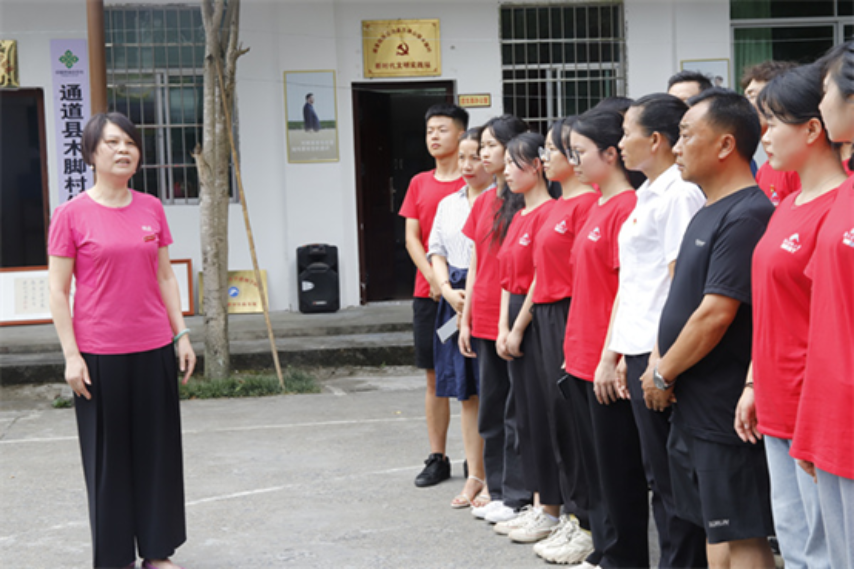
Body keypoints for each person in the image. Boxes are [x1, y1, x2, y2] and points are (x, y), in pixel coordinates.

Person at [48, 112, 195, 570]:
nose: (123, 150)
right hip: (99, 354)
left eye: (130, 143)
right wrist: (71, 356)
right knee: (108, 462)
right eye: (112, 143)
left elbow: (165, 276)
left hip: (153, 348)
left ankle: (157, 551)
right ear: (91, 153)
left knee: (157, 454)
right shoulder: (70, 215)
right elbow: (57, 290)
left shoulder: (151, 207)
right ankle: (115, 559)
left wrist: (181, 334)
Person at [642, 89, 776, 569]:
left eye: (685, 135)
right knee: (712, 528)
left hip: (723, 408)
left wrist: (663, 372)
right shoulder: (708, 209)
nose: (676, 148)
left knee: (742, 535)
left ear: (725, 145)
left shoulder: (748, 214)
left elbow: (716, 314)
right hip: (693, 404)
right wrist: (660, 361)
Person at [734, 63, 846, 570]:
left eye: (773, 123)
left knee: (826, 552)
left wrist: (810, 414)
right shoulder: (788, 203)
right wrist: (754, 383)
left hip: (814, 402)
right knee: (797, 547)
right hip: (777, 398)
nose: (763, 136)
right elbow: (773, 306)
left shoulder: (839, 208)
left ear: (812, 128)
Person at [601, 93, 708, 569]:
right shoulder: (647, 194)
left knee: (672, 480)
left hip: (661, 352)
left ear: (657, 140)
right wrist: (620, 352)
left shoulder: (679, 195)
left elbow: (679, 285)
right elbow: (635, 283)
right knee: (658, 476)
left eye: (627, 133)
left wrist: (661, 362)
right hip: (641, 348)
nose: (620, 142)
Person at [562, 108, 641, 570]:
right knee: (594, 465)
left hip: (604, 358)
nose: (572, 161)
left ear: (611, 154)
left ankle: (623, 557)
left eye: (580, 152)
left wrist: (612, 355)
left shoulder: (627, 207)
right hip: (581, 353)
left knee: (617, 470)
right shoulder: (596, 204)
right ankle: (603, 550)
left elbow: (626, 290)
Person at [520, 119, 599, 565]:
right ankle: (570, 513)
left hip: (570, 311)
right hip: (547, 314)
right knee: (555, 418)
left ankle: (585, 520)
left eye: (552, 150)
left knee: (572, 421)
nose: (546, 158)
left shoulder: (586, 204)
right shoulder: (555, 205)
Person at [791, 40, 854, 570]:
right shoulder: (847, 193)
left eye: (826, 90)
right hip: (834, 418)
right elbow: (826, 319)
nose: (820, 104)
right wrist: (813, 424)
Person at [460, 115, 531, 525]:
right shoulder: (484, 200)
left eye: (490, 145)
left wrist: (508, 324)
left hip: (513, 318)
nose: (482, 153)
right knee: (491, 409)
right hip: (484, 317)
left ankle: (518, 494)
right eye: (481, 145)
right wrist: (466, 319)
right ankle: (499, 488)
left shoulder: (525, 201)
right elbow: (475, 263)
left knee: (515, 411)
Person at [489, 132, 557, 541]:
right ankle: (535, 502)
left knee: (543, 414)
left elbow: (539, 277)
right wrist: (502, 326)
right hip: (512, 314)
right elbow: (506, 279)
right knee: (524, 416)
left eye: (515, 164)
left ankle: (550, 507)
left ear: (537, 166)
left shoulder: (550, 212)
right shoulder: (517, 216)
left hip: (534, 319)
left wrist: (517, 328)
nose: (507, 172)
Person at [400, 104, 469, 489]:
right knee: (433, 376)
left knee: (473, 376)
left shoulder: (474, 182)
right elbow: (412, 237)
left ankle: (478, 459)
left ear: (461, 134)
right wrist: (432, 277)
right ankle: (437, 456)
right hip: (428, 295)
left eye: (442, 129)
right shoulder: (419, 183)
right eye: (430, 130)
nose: (434, 136)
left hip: (467, 294)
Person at [428, 127, 493, 510]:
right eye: (462, 157)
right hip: (452, 300)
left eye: (476, 157)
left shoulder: (503, 201)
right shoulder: (448, 204)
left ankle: (496, 477)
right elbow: (435, 250)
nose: (468, 165)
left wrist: (471, 296)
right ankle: (475, 475)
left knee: (493, 389)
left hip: (487, 296)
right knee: (466, 393)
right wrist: (448, 291)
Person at [741, 61, 801, 205]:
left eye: (752, 96)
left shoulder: (797, 166)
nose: (746, 105)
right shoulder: (765, 170)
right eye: (746, 97)